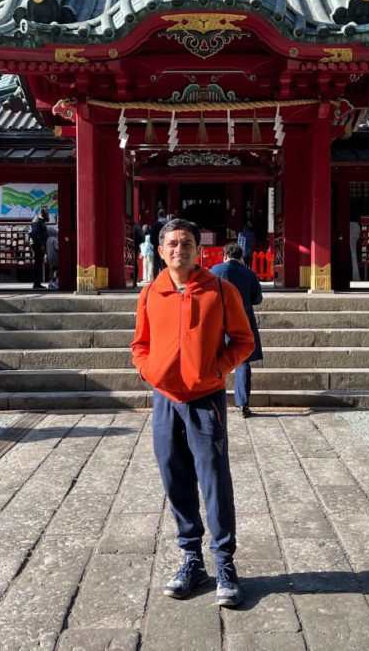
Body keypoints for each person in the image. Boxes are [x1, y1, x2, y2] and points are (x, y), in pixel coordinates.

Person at [131, 219, 255, 607]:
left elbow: (244, 340)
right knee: (174, 476)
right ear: (161, 250)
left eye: (186, 243)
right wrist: (152, 372)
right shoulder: (151, 292)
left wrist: (217, 370)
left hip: (206, 399)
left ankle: (224, 562)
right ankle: (191, 558)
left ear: (200, 251)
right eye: (171, 243)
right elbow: (140, 344)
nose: (178, 249)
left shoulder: (221, 289)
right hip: (166, 398)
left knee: (214, 478)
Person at [210, 243, 263, 418]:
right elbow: (257, 299)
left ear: (224, 255)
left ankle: (211, 401)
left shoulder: (215, 271)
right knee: (243, 362)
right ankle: (243, 404)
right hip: (243, 318)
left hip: (218, 319)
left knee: (213, 358)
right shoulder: (249, 273)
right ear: (240, 257)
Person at [30, 207, 49, 288]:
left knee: (39, 264)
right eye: (47, 214)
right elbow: (35, 234)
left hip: (40, 244)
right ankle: (36, 283)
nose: (48, 216)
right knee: (38, 264)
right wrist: (41, 244)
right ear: (43, 214)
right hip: (37, 245)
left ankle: (37, 282)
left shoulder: (41, 221)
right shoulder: (36, 221)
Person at [148, 209, 167, 277]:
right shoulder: (169, 224)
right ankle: (166, 278)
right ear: (164, 215)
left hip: (157, 246)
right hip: (167, 246)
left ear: (158, 215)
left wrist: (154, 243)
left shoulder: (155, 224)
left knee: (156, 265)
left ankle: (155, 280)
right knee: (166, 264)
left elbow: (152, 236)